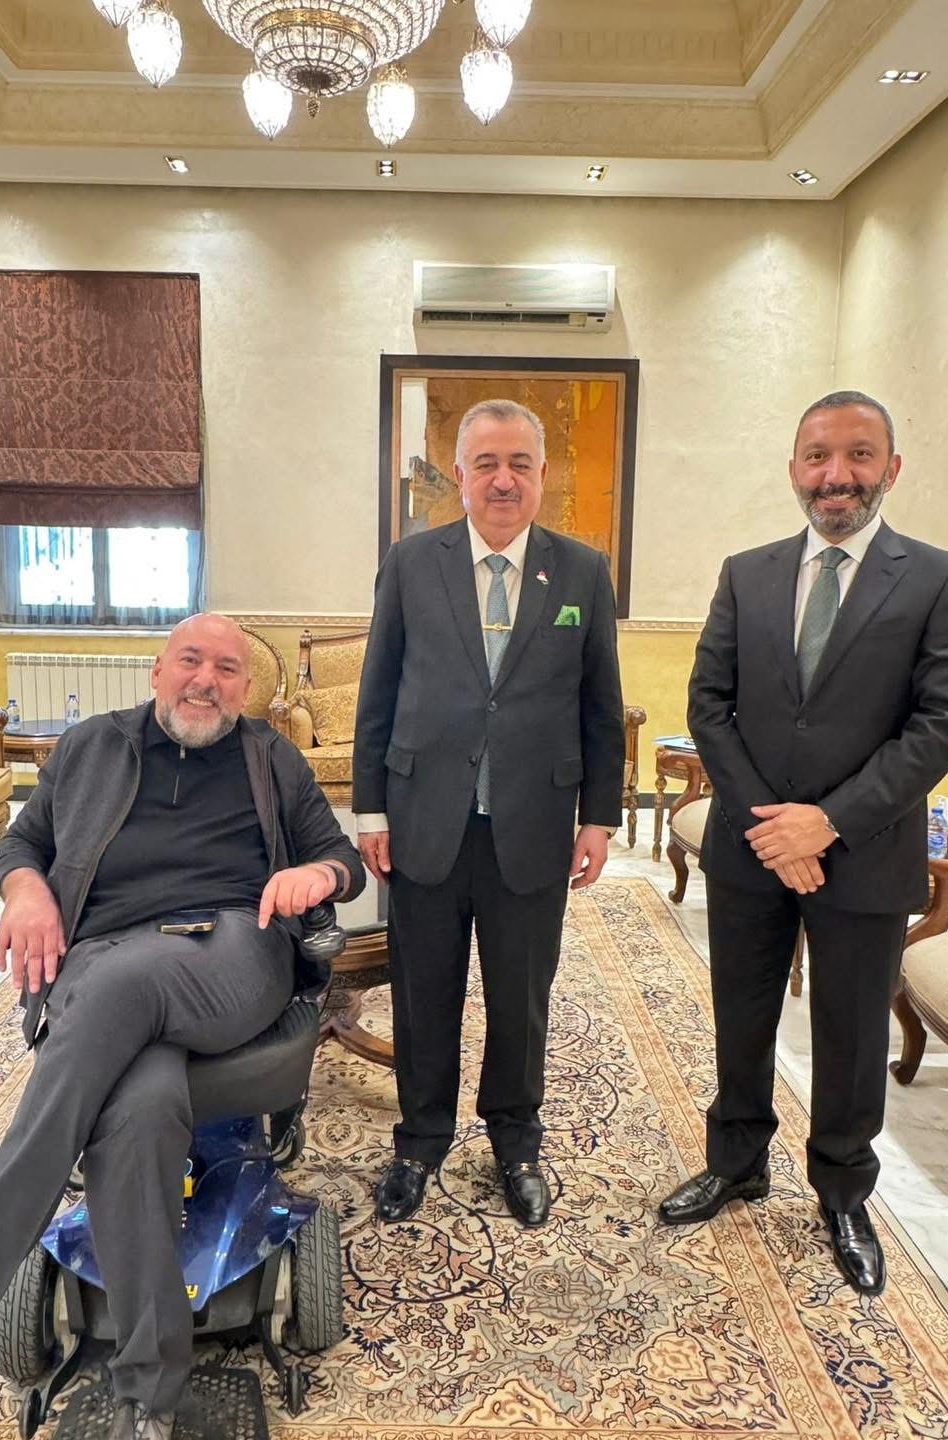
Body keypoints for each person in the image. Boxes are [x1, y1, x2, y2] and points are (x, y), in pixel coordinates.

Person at [0, 612, 365, 1440]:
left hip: (230, 950)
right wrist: (25, 892)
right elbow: (23, 845)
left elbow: (342, 859)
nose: (205, 680)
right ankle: (148, 1396)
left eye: (226, 669)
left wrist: (313, 875)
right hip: (105, 951)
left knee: (117, 985)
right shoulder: (89, 747)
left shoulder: (269, 757)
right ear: (157, 670)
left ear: (244, 688)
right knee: (140, 1107)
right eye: (191, 661)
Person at [658, 391, 948, 1294]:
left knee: (851, 1032)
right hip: (752, 849)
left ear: (891, 468)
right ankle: (736, 1162)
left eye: (859, 455)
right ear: (794, 468)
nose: (838, 475)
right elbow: (708, 706)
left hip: (865, 853)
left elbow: (940, 724)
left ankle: (842, 1193)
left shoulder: (942, 580)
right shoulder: (746, 572)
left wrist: (826, 822)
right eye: (819, 456)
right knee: (742, 1012)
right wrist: (773, 827)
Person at [353, 398, 625, 1228]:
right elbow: (378, 691)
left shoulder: (581, 571)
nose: (503, 480)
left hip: (533, 825)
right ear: (460, 476)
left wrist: (599, 817)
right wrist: (370, 809)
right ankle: (419, 1141)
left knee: (521, 998)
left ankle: (516, 1142)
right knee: (423, 993)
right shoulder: (411, 562)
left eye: (519, 464)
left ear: (543, 475)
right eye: (486, 464)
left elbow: (600, 706)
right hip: (424, 819)